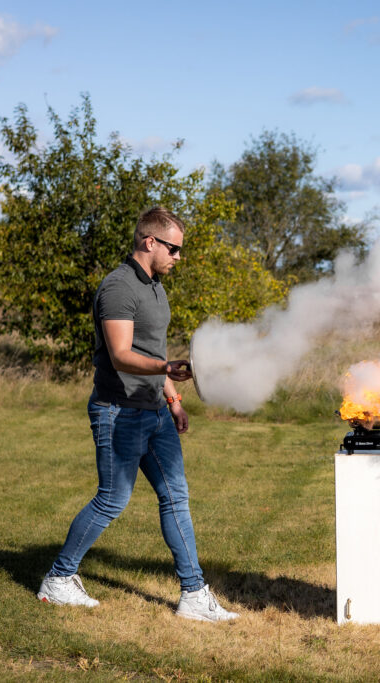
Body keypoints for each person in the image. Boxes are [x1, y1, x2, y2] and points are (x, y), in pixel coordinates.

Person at [37, 207, 238, 622]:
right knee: (112, 499)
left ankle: (193, 594)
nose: (178, 256)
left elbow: (151, 349)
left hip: (155, 412)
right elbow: (121, 355)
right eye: (174, 249)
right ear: (150, 242)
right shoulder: (118, 287)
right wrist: (165, 368)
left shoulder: (156, 288)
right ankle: (58, 579)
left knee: (175, 497)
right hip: (119, 413)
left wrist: (173, 399)